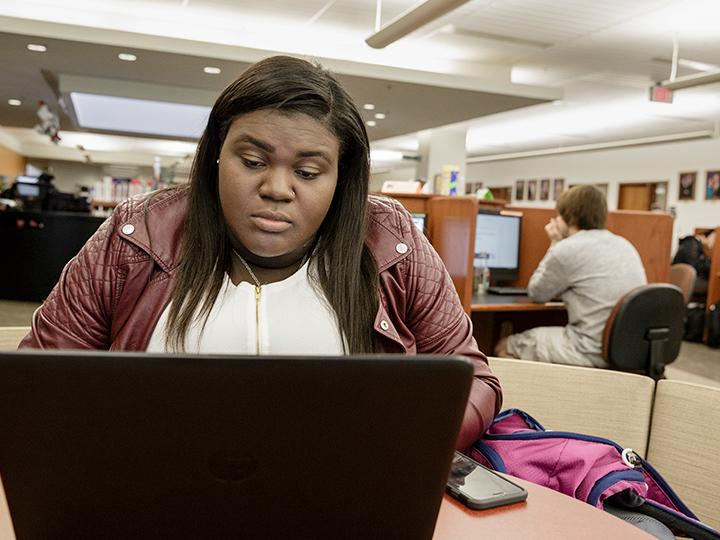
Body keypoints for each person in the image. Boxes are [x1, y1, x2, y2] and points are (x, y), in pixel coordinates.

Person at [19, 55, 502, 450]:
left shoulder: (392, 245)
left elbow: (473, 382)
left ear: (341, 178)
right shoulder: (134, 237)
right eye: (252, 161)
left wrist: (394, 443)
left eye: (308, 172)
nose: (276, 188)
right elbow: (36, 383)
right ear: (215, 154)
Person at [494, 185, 647, 368]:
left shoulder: (568, 248)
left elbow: (537, 293)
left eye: (559, 215)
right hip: (628, 349)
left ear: (570, 217)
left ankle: (544, 396)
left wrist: (555, 243)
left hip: (588, 349)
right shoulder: (624, 244)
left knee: (504, 347)